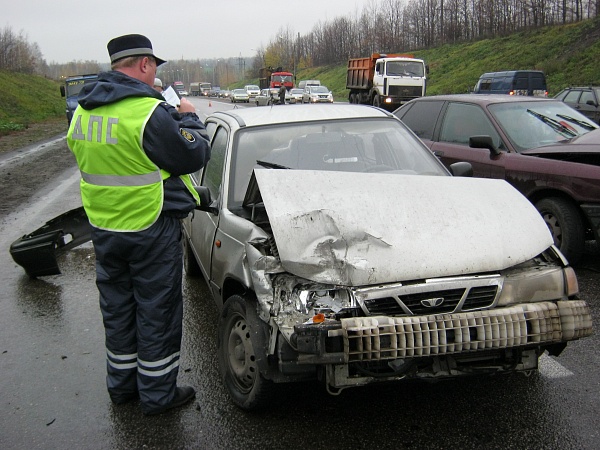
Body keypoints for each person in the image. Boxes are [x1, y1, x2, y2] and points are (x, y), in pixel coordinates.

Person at [66, 34, 211, 416]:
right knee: (157, 311)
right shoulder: (146, 114)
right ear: (144, 63)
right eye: (154, 68)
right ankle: (158, 395)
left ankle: (122, 388)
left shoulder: (83, 112)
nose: (154, 76)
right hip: (149, 227)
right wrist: (189, 117)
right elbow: (192, 153)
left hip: (105, 229)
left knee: (117, 310)